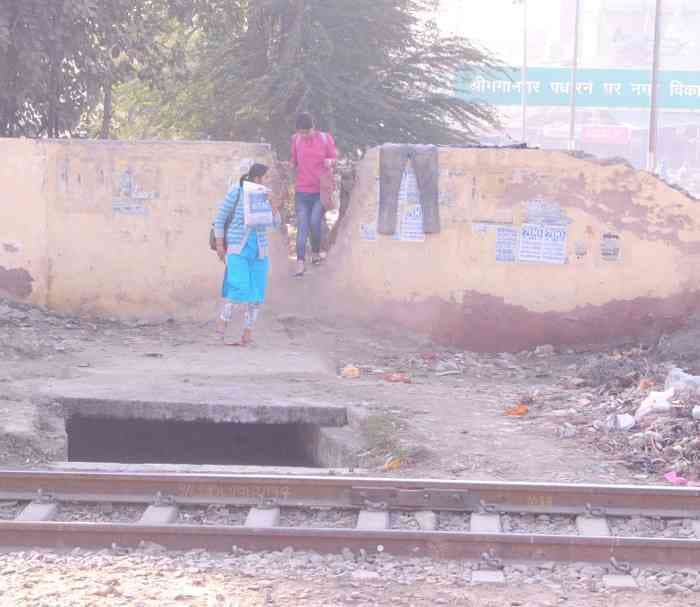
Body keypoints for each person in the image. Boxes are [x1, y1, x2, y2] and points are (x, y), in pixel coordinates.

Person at [213, 163, 280, 346]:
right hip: (237, 247)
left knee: (257, 294)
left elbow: (274, 224)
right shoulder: (237, 191)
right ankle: (221, 325)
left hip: (259, 251)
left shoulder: (266, 195)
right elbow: (219, 219)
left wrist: (273, 205)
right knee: (238, 288)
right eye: (266, 177)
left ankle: (247, 333)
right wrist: (220, 244)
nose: (268, 181)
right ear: (257, 178)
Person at [291, 112, 337, 277]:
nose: (303, 135)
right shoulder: (296, 140)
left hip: (319, 191)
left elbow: (334, 158)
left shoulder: (325, 139)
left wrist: (330, 161)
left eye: (306, 132)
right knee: (302, 225)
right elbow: (294, 162)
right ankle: (300, 262)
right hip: (302, 190)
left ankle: (316, 252)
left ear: (313, 128)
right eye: (300, 132)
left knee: (314, 223)